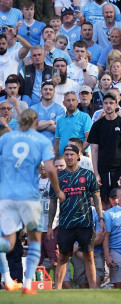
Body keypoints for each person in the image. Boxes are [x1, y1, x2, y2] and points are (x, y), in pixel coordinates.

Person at [0, 109, 64, 294]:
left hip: (7, 196)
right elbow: (51, 169)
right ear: (36, 123)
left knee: (8, 242)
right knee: (35, 239)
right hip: (28, 195)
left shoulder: (5, 139)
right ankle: (28, 285)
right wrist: (58, 190)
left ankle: (8, 280)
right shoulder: (41, 141)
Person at [52, 144, 102, 290]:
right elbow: (52, 202)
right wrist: (50, 225)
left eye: (71, 154)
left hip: (85, 222)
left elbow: (97, 198)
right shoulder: (58, 177)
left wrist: (100, 218)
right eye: (66, 154)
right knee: (62, 257)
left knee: (89, 256)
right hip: (66, 223)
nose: (69, 157)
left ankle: (94, 290)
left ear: (78, 156)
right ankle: (58, 290)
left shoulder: (88, 175)